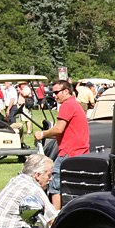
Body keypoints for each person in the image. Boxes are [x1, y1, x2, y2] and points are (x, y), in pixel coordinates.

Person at [32, 80, 89, 210]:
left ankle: (55, 216)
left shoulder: (67, 105)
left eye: (57, 92)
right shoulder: (75, 104)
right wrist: (47, 134)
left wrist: (42, 134)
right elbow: (63, 132)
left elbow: (58, 129)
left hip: (68, 152)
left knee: (55, 184)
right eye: (53, 92)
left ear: (66, 91)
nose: (54, 95)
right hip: (79, 152)